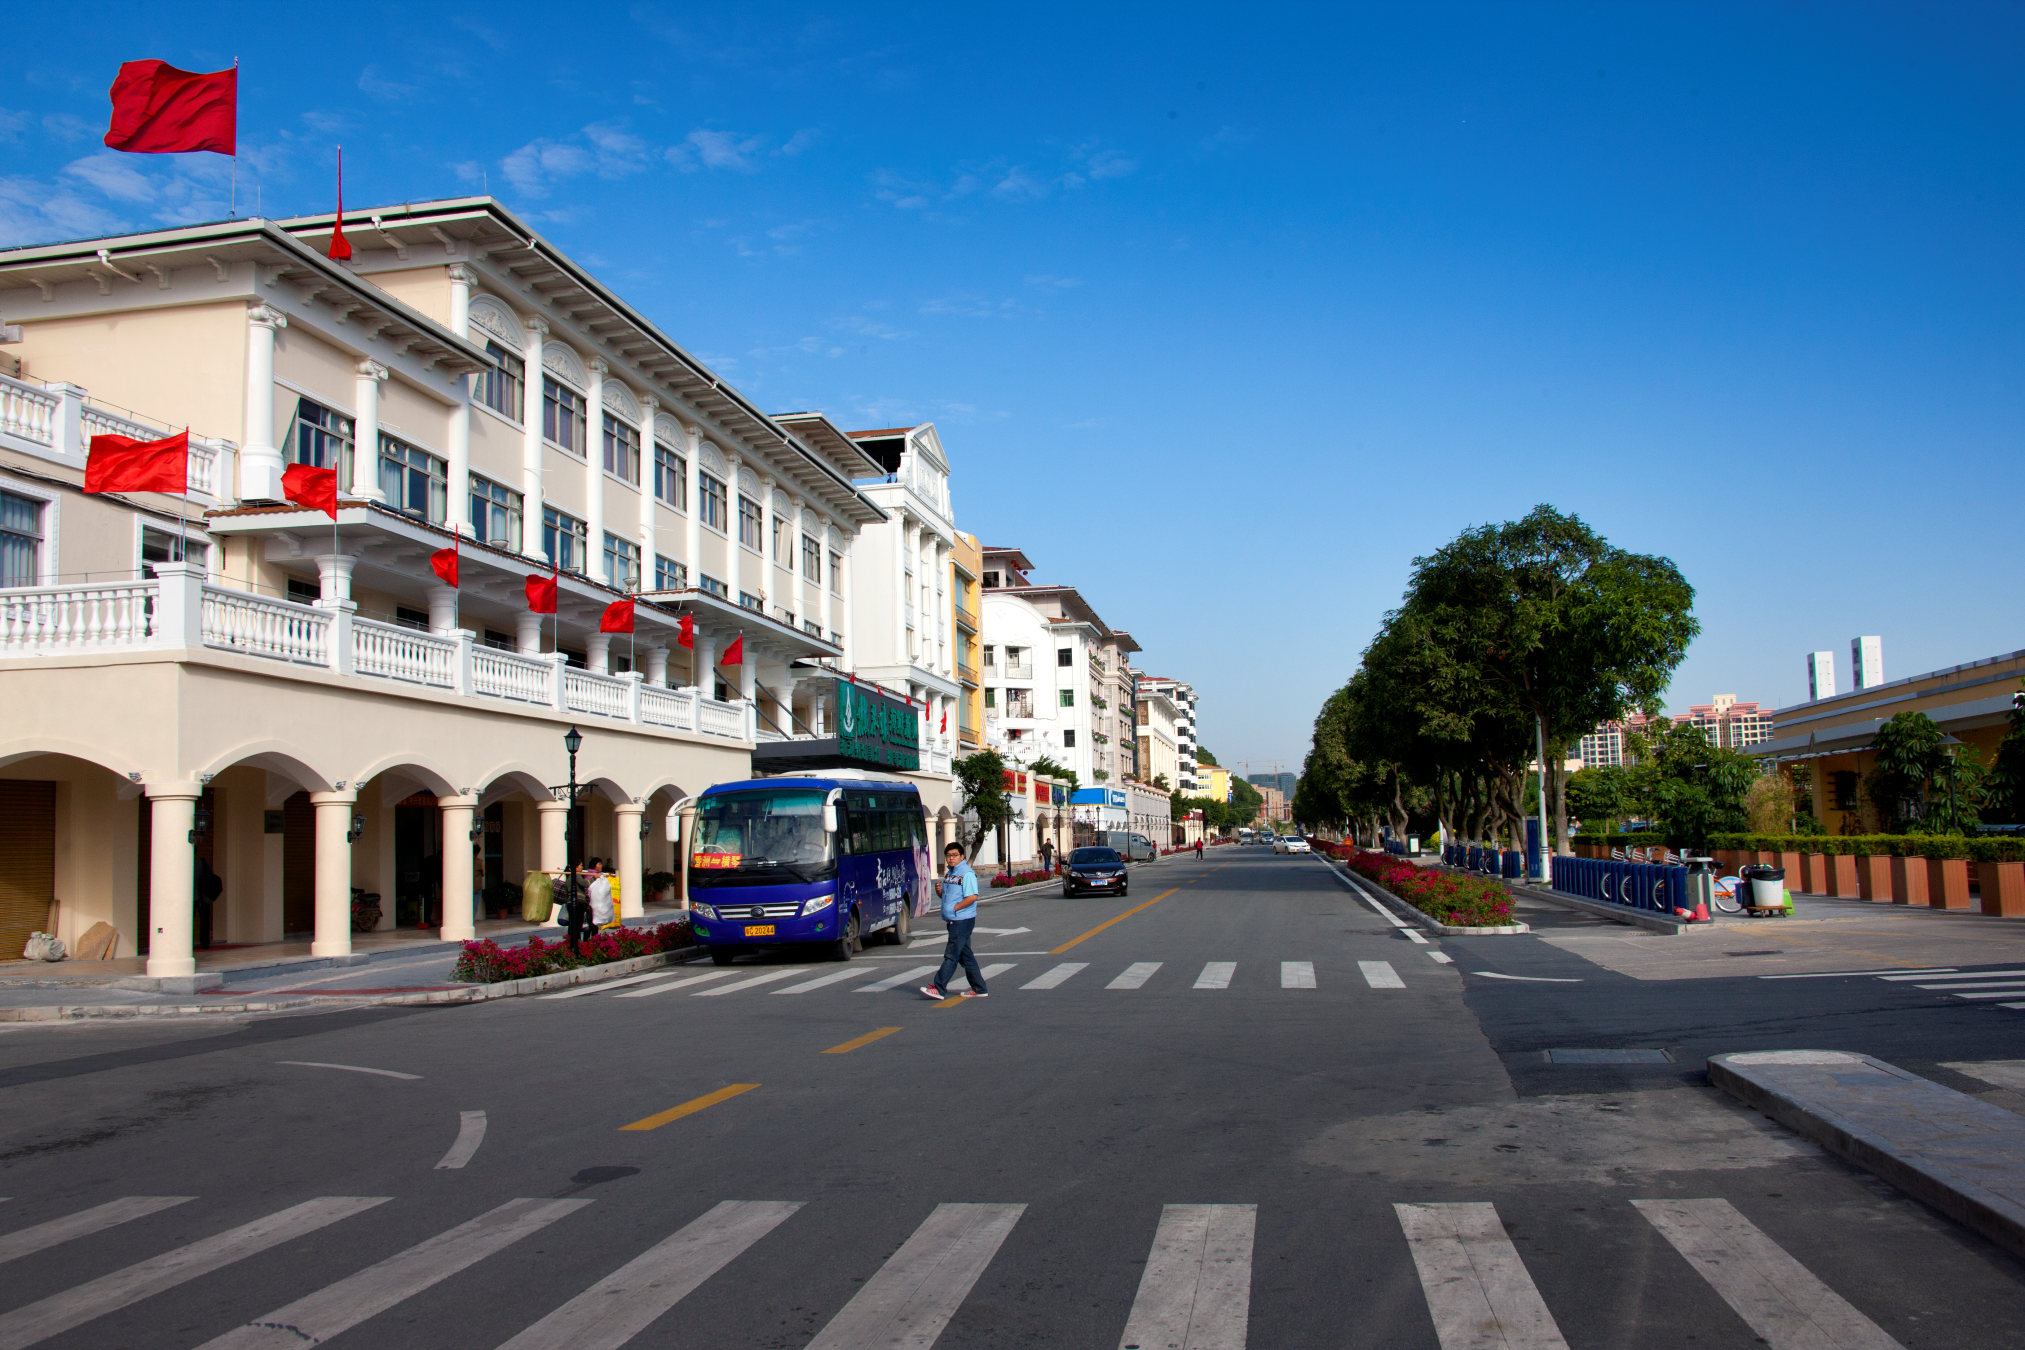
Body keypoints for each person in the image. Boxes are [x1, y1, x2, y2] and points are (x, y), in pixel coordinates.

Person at [921, 843, 986, 1000]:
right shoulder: (950, 873)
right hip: (954, 918)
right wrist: (940, 893)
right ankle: (979, 988)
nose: (951, 858)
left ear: (962, 856)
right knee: (965, 956)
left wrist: (955, 908)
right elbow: (949, 897)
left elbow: (972, 897)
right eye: (948, 855)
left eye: (954, 855)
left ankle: (939, 988)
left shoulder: (966, 874)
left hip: (961, 920)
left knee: (951, 955)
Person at [193, 856, 223, 950]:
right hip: (204, 896)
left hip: (190, 897)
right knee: (205, 920)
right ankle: (205, 943)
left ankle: (187, 943)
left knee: (188, 921)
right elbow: (211, 876)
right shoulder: (203, 862)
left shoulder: (183, 862)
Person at [586, 859, 616, 931]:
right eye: (599, 864)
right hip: (590, 902)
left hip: (598, 903)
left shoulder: (600, 875)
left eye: (601, 864)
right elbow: (588, 887)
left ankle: (594, 939)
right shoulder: (590, 875)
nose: (600, 866)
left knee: (595, 925)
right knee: (591, 923)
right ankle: (587, 941)